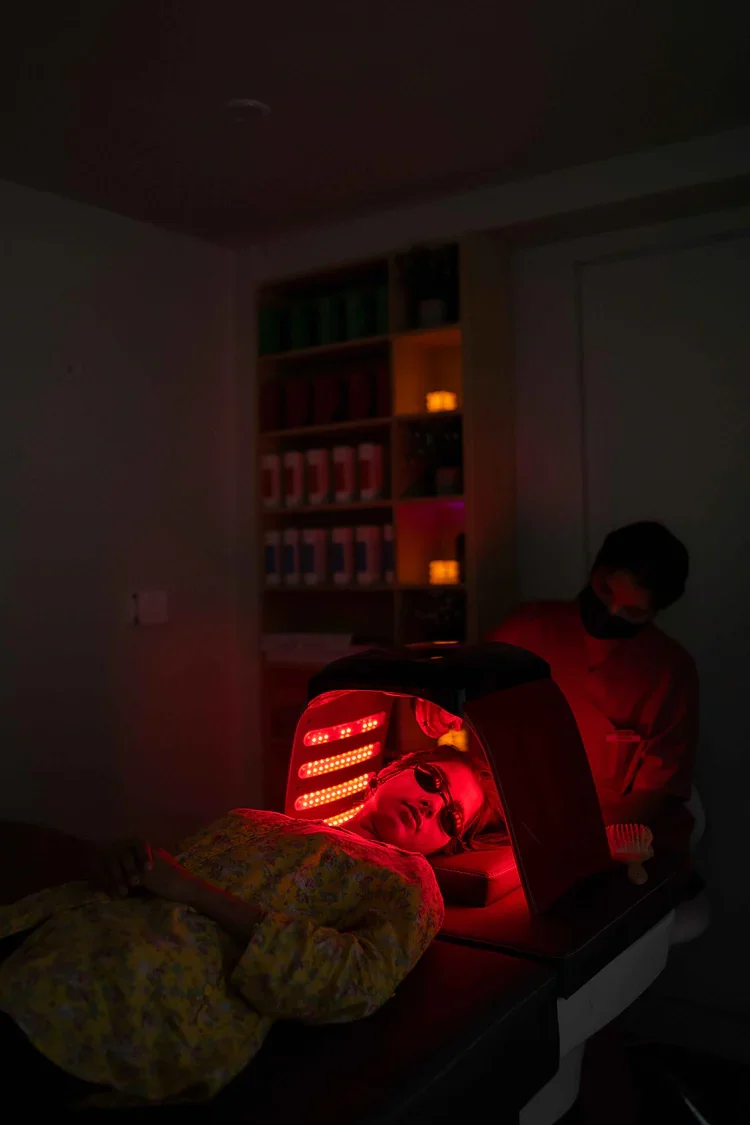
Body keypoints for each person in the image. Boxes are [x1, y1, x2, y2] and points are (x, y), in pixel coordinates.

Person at [0, 745, 499, 1107]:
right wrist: (124, 864)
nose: (434, 805)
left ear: (445, 845)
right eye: (433, 780)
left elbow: (354, 981)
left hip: (144, 997)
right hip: (58, 934)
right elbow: (162, 875)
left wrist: (192, 893)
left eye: (452, 819)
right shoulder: (254, 820)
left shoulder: (412, 883)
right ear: (388, 773)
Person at [487, 522, 698, 851]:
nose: (611, 611)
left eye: (632, 611)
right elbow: (467, 690)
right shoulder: (527, 629)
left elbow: (654, 794)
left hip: (617, 845)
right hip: (518, 832)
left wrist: (578, 839)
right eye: (604, 591)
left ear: (655, 612)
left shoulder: (670, 672)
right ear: (594, 571)